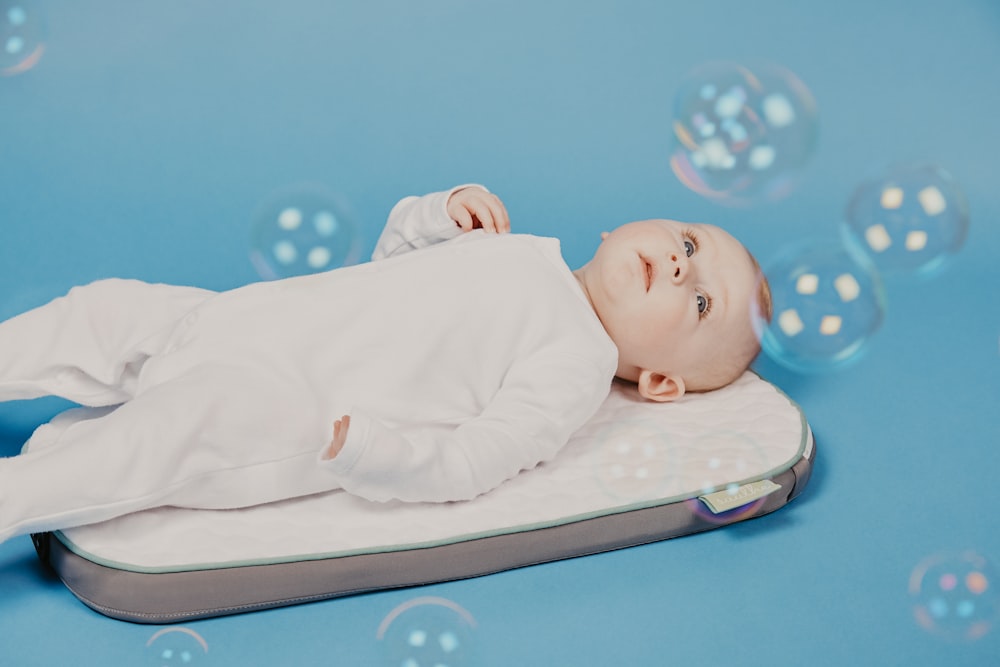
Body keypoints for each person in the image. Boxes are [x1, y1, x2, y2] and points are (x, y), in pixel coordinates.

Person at [0, 184, 771, 545]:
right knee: (102, 309)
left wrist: (377, 454)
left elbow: (475, 459)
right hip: (239, 317)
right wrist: (433, 213)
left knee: (155, 437)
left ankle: (14, 495)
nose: (678, 266)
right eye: (691, 243)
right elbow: (388, 264)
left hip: (279, 398)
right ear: (618, 225)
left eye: (701, 301)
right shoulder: (515, 245)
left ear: (660, 382)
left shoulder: (576, 363)